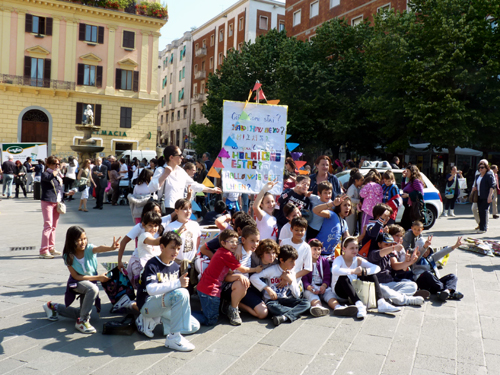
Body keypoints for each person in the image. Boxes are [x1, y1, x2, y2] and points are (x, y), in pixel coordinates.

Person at [42, 226, 121, 333]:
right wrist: (98, 278)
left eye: (84, 239)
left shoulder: (89, 249)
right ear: (71, 241)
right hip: (76, 283)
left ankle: (52, 307)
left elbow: (99, 248)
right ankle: (82, 321)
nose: (83, 242)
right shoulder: (68, 256)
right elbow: (76, 277)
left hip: (89, 282)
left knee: (82, 311)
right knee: (93, 289)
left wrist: (111, 248)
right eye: (79, 240)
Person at [134, 231, 200, 351]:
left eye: (178, 248)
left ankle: (160, 322)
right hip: (148, 304)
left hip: (165, 305)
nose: (175, 252)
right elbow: (150, 289)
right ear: (162, 247)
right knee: (182, 293)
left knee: (194, 326)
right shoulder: (152, 264)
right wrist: (178, 283)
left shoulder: (175, 266)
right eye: (172, 248)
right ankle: (173, 338)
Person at [193, 229, 256, 326]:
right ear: (222, 243)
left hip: (208, 288)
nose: (234, 244)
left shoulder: (222, 251)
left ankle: (186, 315)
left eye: (236, 242)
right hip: (209, 290)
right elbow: (242, 269)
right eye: (231, 242)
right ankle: (184, 316)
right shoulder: (226, 254)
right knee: (210, 320)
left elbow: (228, 274)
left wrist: (238, 276)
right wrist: (256, 269)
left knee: (211, 316)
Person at [331, 237, 400, 319]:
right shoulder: (339, 259)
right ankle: (360, 305)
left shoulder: (358, 259)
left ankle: (381, 302)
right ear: (344, 249)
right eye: (352, 248)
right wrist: (353, 271)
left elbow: (377, 268)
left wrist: (365, 272)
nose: (355, 250)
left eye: (356, 248)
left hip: (355, 291)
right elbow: (334, 270)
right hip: (341, 293)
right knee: (343, 277)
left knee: (371, 274)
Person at [149, 146, 221, 215]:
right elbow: (151, 188)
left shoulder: (181, 171)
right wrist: (165, 175)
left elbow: (193, 185)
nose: (182, 157)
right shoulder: (161, 170)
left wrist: (212, 190)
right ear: (171, 157)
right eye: (180, 155)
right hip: (166, 209)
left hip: (180, 208)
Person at [250, 245, 311, 326]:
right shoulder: (272, 269)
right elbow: (253, 277)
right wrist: (267, 288)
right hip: (272, 301)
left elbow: (297, 295)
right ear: (282, 260)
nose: (294, 264)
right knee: (273, 307)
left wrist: (290, 281)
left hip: (286, 300)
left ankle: (285, 317)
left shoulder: (291, 272)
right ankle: (295, 313)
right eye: (291, 261)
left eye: (295, 261)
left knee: (306, 303)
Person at [220, 226, 263, 324]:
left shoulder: (250, 251)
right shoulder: (235, 253)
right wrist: (240, 276)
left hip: (245, 287)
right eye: (252, 241)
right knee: (241, 283)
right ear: (243, 240)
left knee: (262, 314)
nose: (255, 244)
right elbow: (225, 277)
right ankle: (233, 309)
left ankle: (232, 304)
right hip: (230, 287)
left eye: (257, 241)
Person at [303, 239, 357, 317]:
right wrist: (309, 288)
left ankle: (338, 307)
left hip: (323, 286)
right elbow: (304, 279)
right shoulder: (305, 262)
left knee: (330, 295)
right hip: (310, 287)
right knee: (313, 297)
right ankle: (318, 307)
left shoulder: (324, 261)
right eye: (314, 249)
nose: (317, 252)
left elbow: (327, 276)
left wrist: (324, 286)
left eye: (319, 249)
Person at [367, 233, 425, 306]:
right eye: (386, 244)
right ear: (379, 244)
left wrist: (410, 262)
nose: (389, 247)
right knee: (382, 289)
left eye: (391, 244)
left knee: (412, 285)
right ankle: (407, 299)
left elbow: (396, 266)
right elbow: (380, 253)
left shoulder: (390, 255)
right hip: (380, 285)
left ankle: (392, 298)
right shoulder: (373, 253)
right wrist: (393, 248)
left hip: (391, 283)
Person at [39, 156, 76, 259]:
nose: (57, 165)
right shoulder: (46, 174)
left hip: (57, 202)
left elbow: (58, 190)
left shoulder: (57, 176)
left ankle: (51, 247)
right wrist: (54, 173)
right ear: (49, 164)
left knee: (54, 227)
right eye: (55, 164)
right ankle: (43, 250)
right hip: (47, 202)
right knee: (48, 225)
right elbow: (46, 178)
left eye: (58, 164)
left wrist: (67, 193)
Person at [412, 236, 464, 301]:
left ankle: (446, 292)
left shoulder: (431, 258)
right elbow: (421, 253)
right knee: (427, 273)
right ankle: (450, 292)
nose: (425, 252)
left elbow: (442, 253)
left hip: (435, 283)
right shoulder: (415, 259)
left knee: (452, 276)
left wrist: (455, 246)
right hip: (423, 283)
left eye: (427, 249)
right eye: (424, 250)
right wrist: (424, 247)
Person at [126, 211, 163, 288]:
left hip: (152, 267)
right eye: (150, 225)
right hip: (143, 268)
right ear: (144, 225)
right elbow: (155, 242)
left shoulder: (154, 236)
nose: (153, 228)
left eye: (156, 226)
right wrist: (170, 236)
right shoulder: (144, 235)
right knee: (145, 289)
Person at [166, 199, 202, 266]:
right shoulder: (170, 227)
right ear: (177, 211)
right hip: (176, 264)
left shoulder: (195, 225)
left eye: (190, 208)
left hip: (191, 263)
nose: (188, 211)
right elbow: (166, 244)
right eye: (185, 209)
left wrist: (195, 252)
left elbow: (198, 238)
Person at [279, 217, 313, 283]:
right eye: (296, 230)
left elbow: (308, 268)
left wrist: (291, 277)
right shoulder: (284, 242)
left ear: (305, 230)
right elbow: (279, 260)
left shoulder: (306, 247)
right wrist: (283, 276)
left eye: (302, 230)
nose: (299, 232)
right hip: (280, 278)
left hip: (295, 281)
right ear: (291, 229)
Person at [472, 160, 495, 233]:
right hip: (479, 196)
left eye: (482, 167)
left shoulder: (488, 175)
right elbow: (476, 184)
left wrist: (490, 196)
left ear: (486, 168)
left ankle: (484, 228)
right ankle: (481, 227)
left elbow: (492, 186)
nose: (480, 169)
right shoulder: (478, 176)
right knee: (480, 211)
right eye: (479, 167)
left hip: (486, 196)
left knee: (484, 211)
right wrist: (474, 188)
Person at [400, 165, 425, 230]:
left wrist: (408, 195)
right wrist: (403, 177)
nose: (406, 172)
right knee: (405, 225)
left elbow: (420, 194)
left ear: (412, 172)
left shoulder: (416, 181)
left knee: (408, 225)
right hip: (408, 206)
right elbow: (403, 188)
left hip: (413, 207)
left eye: (408, 171)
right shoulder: (411, 181)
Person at [346, 171, 364, 235]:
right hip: (351, 210)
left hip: (355, 210)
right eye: (361, 180)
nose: (362, 182)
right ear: (356, 180)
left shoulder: (358, 188)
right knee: (350, 228)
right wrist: (359, 201)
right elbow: (349, 199)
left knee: (353, 227)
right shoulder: (352, 188)